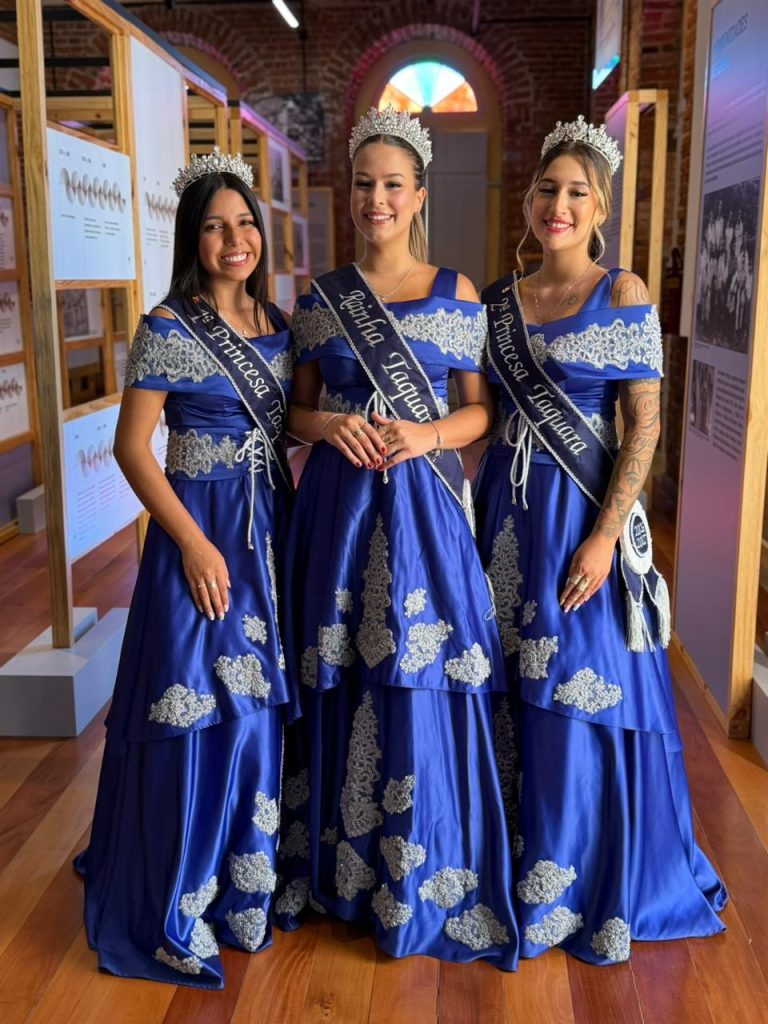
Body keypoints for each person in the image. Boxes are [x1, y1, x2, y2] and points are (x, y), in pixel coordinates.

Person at [474, 115, 727, 964]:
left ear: (600, 207)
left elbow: (645, 425)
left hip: (581, 518)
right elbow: (480, 414)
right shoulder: (498, 300)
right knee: (509, 677)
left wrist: (603, 539)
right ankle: (514, 857)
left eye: (577, 192)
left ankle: (580, 873)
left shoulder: (622, 292)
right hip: (504, 514)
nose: (559, 204)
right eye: (547, 189)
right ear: (528, 200)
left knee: (581, 683)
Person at [275, 107, 519, 970]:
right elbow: (294, 411)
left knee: (419, 667)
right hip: (338, 508)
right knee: (341, 666)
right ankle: (339, 872)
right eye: (363, 184)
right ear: (349, 194)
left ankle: (418, 868)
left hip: (422, 506)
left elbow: (480, 412)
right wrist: (328, 424)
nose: (375, 199)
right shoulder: (320, 297)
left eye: (392, 185)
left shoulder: (457, 291)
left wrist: (426, 435)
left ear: (418, 195)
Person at [76, 149, 296, 988]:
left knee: (258, 711)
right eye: (213, 226)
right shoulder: (168, 326)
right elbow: (133, 448)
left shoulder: (278, 321)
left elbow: (291, 422)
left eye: (244, 223)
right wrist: (193, 544)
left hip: (268, 529)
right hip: (197, 534)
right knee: (194, 705)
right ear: (191, 240)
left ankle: (246, 886)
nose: (234, 239)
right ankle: (180, 889)